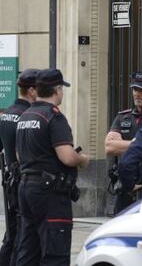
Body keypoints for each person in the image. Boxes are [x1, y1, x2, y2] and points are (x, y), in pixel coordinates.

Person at [15, 69, 89, 266]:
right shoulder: (53, 117)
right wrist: (82, 159)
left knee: (29, 250)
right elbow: (66, 156)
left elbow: (18, 155)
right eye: (61, 89)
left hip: (27, 188)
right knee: (55, 253)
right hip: (50, 193)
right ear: (57, 89)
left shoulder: (26, 115)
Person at [105, 71, 142, 214]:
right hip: (125, 190)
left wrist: (125, 144)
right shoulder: (123, 117)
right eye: (135, 89)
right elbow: (109, 147)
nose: (137, 94)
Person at [0, 69, 38, 266]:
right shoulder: (27, 115)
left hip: (10, 179)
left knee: (12, 233)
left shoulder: (7, 113)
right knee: (22, 236)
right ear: (31, 91)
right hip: (23, 180)